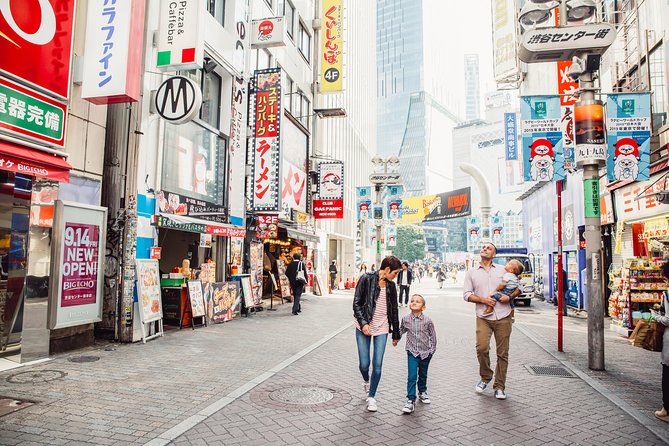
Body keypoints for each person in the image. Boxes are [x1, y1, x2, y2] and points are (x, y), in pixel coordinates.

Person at [463, 242, 521, 400]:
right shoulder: (471, 273)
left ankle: (500, 386)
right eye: (483, 247)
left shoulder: (505, 270)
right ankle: (485, 376)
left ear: (494, 254)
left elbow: (518, 287)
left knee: (503, 353)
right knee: (481, 348)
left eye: (489, 248)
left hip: (504, 315)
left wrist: (509, 297)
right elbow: (467, 295)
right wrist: (484, 300)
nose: (485, 249)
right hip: (483, 316)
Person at [353, 255, 402, 412]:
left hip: (382, 327)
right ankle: (366, 380)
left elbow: (394, 309)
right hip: (363, 327)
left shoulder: (391, 287)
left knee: (378, 365)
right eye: (395, 273)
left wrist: (396, 334)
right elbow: (356, 304)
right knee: (364, 364)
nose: (396, 276)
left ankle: (372, 397)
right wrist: (364, 323)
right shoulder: (366, 278)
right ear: (387, 269)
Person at [399, 294, 437, 414]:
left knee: (423, 374)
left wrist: (432, 351)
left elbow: (433, 336)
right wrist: (395, 337)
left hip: (425, 353)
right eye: (412, 301)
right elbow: (401, 330)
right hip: (412, 352)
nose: (414, 303)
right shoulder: (405, 319)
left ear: (423, 307)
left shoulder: (428, 320)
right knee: (412, 376)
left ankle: (422, 391)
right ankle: (410, 400)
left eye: (418, 302)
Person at [652, 261, 669, 422]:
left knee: (667, 375)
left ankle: (666, 410)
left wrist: (655, 316)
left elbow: (668, 319)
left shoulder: (668, 294)